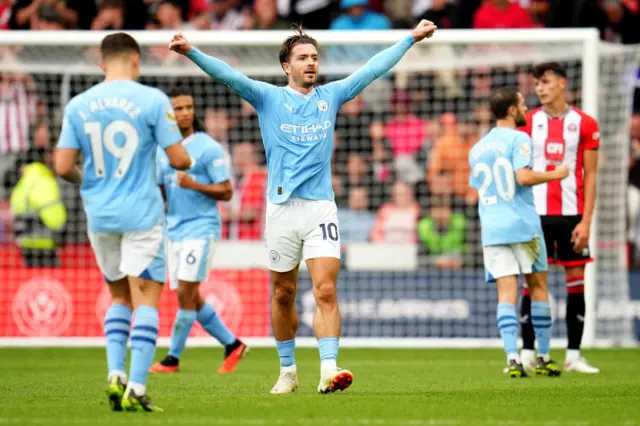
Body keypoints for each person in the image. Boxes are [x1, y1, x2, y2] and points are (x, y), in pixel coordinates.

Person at [168, 20, 437, 394]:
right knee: (283, 293)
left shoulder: (332, 95)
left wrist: (409, 38)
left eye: (314, 57)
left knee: (325, 291)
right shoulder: (268, 98)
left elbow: (373, 68)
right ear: (286, 66)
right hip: (280, 211)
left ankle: (329, 368)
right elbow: (228, 76)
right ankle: (288, 370)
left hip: (320, 209)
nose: (311, 63)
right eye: (303, 57)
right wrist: (191, 52)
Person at [54, 32, 192, 412]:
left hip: (99, 214)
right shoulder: (151, 99)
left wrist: (95, 183)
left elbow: (63, 166)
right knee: (147, 297)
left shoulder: (79, 104)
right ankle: (136, 386)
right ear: (136, 60)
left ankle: (115, 373)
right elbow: (179, 160)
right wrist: (184, 162)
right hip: (141, 213)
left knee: (118, 296)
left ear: (102, 64)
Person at [468, 87, 567, 378]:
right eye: (522, 104)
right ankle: (544, 357)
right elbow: (522, 176)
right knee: (538, 287)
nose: (526, 108)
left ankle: (512, 358)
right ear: (512, 110)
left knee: (506, 293)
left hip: (493, 228)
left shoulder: (477, 149)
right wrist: (556, 174)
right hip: (523, 226)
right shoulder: (519, 138)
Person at [150, 87, 248, 375]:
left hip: (202, 228)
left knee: (186, 291)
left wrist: (195, 185)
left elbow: (227, 191)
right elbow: (160, 188)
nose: (184, 113)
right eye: (178, 108)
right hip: (174, 230)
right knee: (188, 295)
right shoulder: (162, 149)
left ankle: (172, 358)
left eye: (188, 107)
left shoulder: (208, 147)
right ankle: (232, 345)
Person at [518, 62, 601, 374]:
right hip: (535, 215)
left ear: (562, 84)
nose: (540, 88)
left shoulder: (586, 124)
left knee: (575, 285)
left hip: (572, 216)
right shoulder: (526, 122)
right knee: (532, 284)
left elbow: (591, 175)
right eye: (537, 83)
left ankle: (574, 354)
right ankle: (527, 353)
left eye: (546, 82)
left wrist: (587, 221)